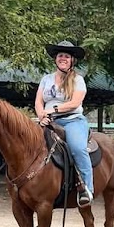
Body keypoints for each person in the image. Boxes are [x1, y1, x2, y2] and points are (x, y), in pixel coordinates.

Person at [35, 40, 94, 207]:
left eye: (66, 56)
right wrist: (41, 115)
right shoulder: (46, 79)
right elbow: (38, 101)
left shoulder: (78, 80)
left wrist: (51, 110)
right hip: (48, 121)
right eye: (60, 55)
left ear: (72, 60)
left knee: (77, 148)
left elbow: (74, 103)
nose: (63, 58)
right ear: (55, 58)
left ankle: (87, 189)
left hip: (72, 121)